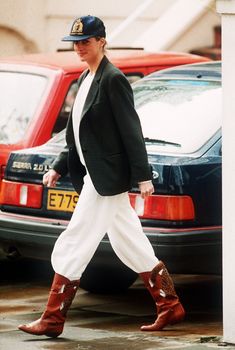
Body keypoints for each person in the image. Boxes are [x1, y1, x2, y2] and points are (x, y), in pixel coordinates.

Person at [18, 15, 185, 338]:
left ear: (102, 42)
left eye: (86, 41)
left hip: (106, 178)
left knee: (75, 238)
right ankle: (170, 306)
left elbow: (130, 130)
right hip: (95, 175)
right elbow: (76, 132)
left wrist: (142, 175)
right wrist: (58, 165)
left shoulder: (113, 79)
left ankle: (53, 318)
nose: (80, 47)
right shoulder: (85, 78)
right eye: (76, 43)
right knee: (129, 240)